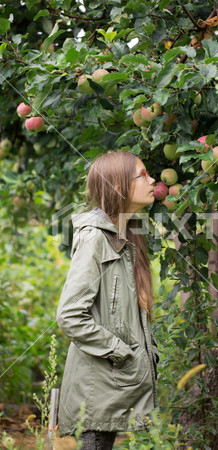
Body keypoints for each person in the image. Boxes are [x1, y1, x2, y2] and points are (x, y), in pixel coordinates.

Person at [56, 151, 159, 450]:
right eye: (142, 174)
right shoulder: (95, 239)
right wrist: (121, 353)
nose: (152, 180)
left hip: (113, 382)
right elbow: (70, 314)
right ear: (117, 186)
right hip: (99, 385)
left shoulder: (126, 235)